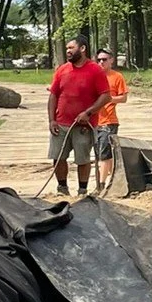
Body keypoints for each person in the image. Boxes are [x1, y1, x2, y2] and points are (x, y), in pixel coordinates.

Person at [46, 33, 111, 197]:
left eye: (71, 48)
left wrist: (88, 112)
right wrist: (52, 120)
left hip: (83, 125)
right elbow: (53, 95)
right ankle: (62, 188)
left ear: (82, 49)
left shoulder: (95, 70)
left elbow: (106, 96)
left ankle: (82, 190)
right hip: (61, 123)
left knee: (82, 159)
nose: (68, 51)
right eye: (67, 48)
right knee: (58, 156)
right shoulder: (62, 70)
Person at [94, 48, 128, 189]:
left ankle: (101, 185)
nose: (101, 62)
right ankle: (107, 182)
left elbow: (124, 98)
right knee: (98, 156)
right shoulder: (93, 76)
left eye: (104, 59)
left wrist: (109, 99)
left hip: (109, 122)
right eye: (99, 59)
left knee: (105, 155)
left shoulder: (117, 77)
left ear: (111, 60)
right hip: (93, 122)